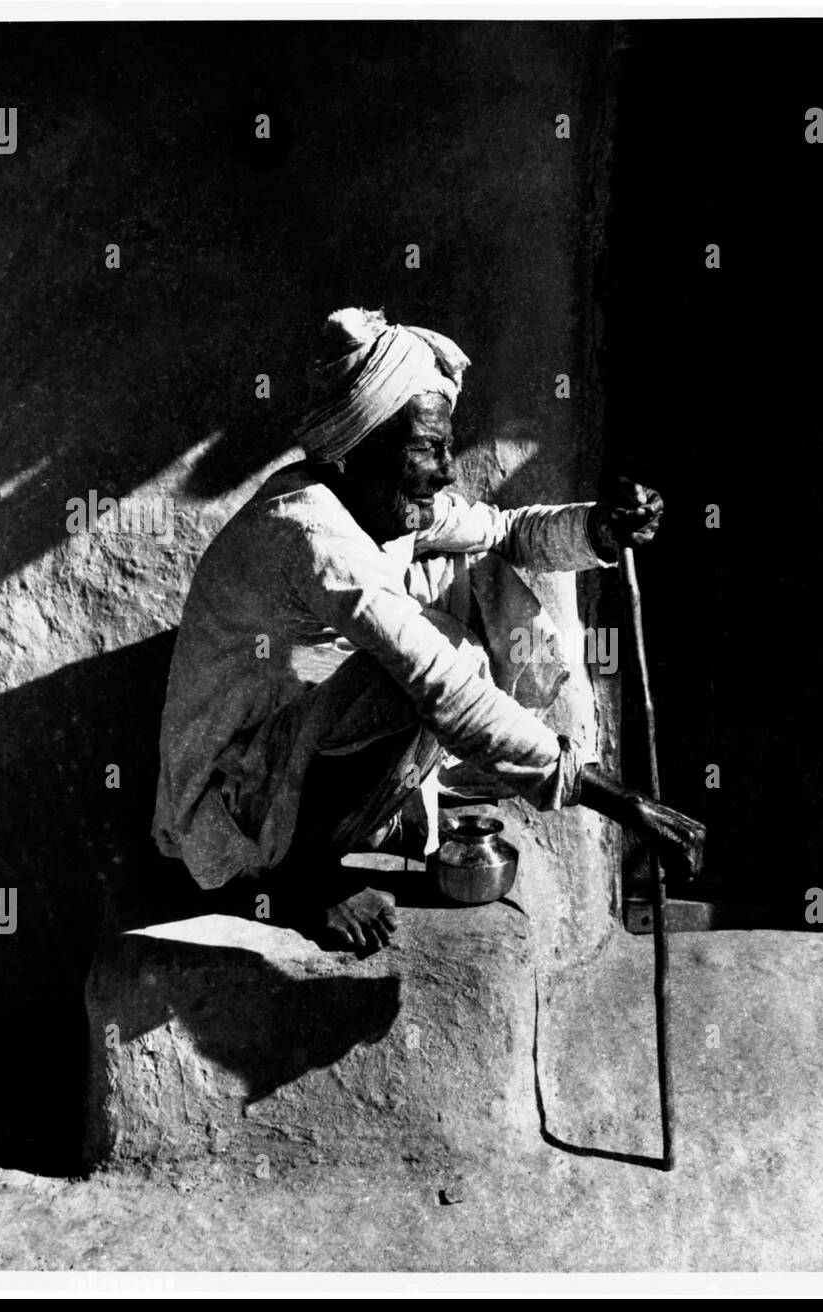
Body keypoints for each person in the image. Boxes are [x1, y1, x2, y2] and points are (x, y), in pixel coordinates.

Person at [152, 307, 704, 950]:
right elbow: (438, 683)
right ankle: (302, 884)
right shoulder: (309, 531)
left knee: (465, 592)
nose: (445, 470)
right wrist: (616, 798)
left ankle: (373, 821)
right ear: (361, 448)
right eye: (427, 448)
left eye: (445, 447)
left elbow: (505, 531)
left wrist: (599, 530)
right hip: (233, 812)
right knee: (424, 668)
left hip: (284, 765)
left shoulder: (373, 500)